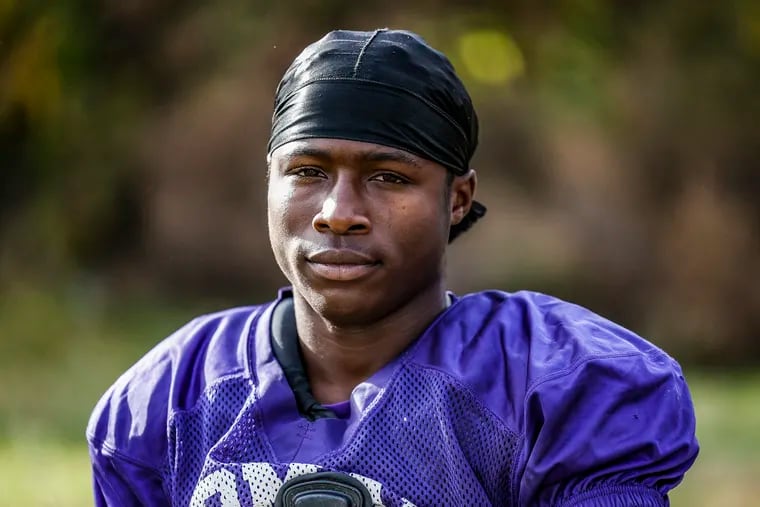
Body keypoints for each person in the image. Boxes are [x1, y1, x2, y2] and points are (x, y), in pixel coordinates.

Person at [87, 29, 699, 506]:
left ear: (457, 198)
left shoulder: (553, 384)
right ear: (268, 182)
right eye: (307, 172)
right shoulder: (171, 398)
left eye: (388, 177)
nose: (338, 212)